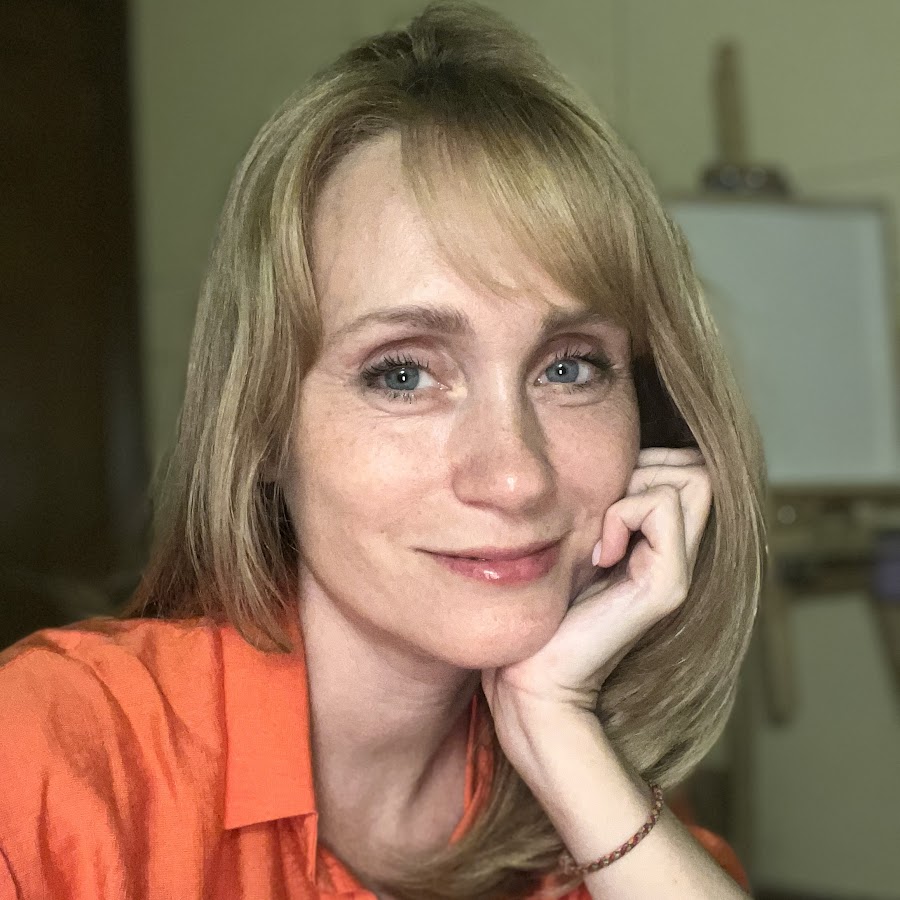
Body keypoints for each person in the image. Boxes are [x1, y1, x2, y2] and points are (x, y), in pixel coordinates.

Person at [0, 3, 765, 898]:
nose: (516, 476)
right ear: (262, 428)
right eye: (402, 374)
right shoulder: (50, 759)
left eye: (569, 367)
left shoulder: (599, 804)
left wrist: (558, 731)